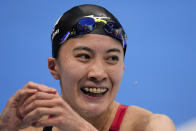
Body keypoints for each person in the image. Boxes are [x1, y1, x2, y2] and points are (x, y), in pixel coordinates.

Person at [0, 4, 176, 131]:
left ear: (122, 67)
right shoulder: (30, 128)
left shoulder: (152, 126)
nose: (98, 74)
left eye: (112, 58)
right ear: (54, 67)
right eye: (84, 56)